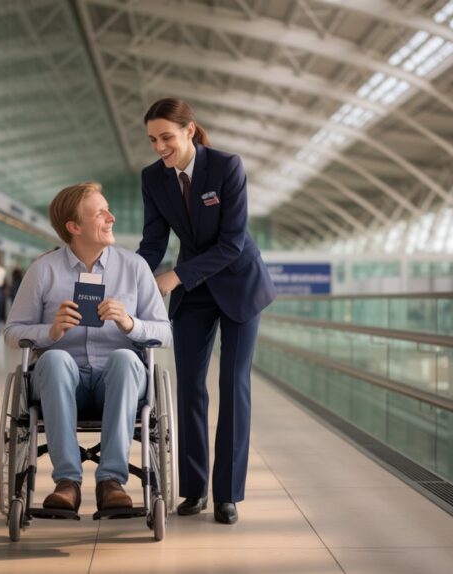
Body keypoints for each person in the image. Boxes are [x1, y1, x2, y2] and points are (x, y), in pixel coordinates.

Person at [137, 98, 276, 525]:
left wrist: (175, 277)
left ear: (190, 131)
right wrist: (132, 276)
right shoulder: (153, 179)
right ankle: (195, 490)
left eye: (167, 137)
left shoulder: (226, 167)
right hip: (195, 291)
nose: (160, 147)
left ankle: (227, 495)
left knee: (233, 386)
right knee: (190, 388)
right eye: (153, 140)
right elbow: (154, 243)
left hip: (238, 285)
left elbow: (233, 243)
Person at [5, 182, 172, 514]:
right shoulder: (44, 271)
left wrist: (129, 324)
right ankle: (68, 482)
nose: (111, 218)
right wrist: (50, 332)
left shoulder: (134, 267)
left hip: (121, 379)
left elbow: (165, 333)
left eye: (108, 209)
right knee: (54, 360)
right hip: (64, 381)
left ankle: (111, 481)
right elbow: (12, 333)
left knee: (125, 357)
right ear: (74, 227)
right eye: (101, 213)